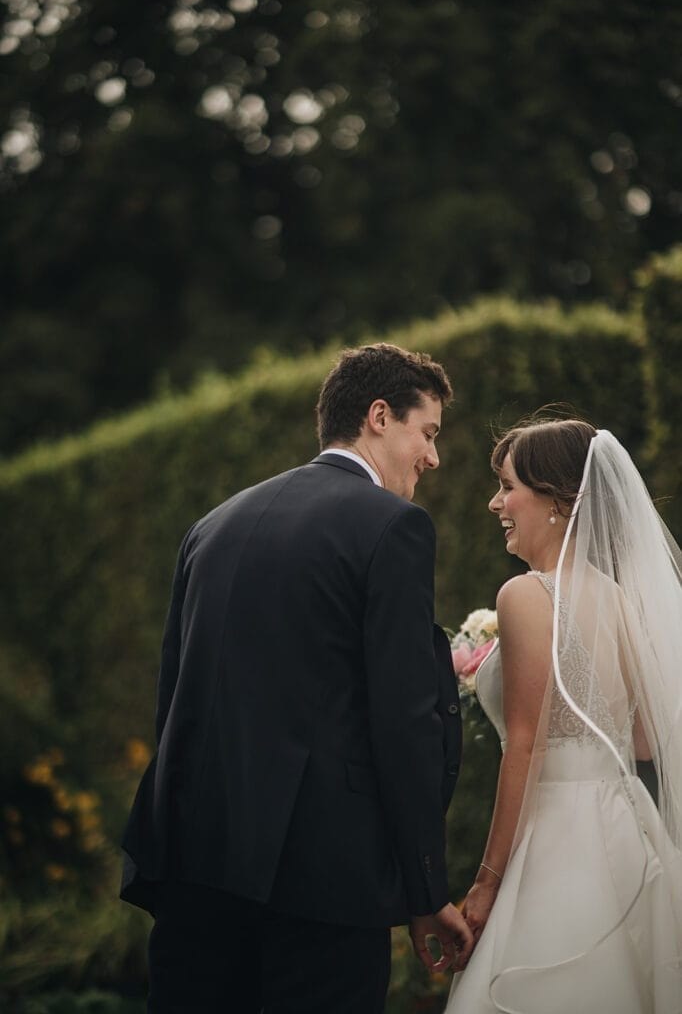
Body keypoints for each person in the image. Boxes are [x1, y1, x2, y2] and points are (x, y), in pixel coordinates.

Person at [120, 342, 474, 1014]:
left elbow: (175, 703)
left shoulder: (211, 526)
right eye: (426, 433)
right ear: (378, 416)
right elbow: (402, 720)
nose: (434, 457)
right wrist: (426, 890)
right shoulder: (393, 527)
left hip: (194, 872)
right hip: (324, 887)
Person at [447, 417, 682, 1014]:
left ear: (554, 499)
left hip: (555, 836)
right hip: (628, 827)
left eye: (507, 486)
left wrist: (487, 881)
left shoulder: (525, 595)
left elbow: (527, 746)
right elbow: (647, 742)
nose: (495, 501)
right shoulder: (620, 600)